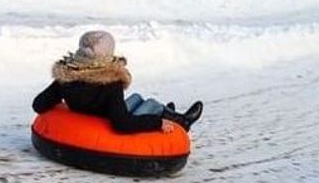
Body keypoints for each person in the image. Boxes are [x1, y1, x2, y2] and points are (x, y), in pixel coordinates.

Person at [31, 30, 202, 133]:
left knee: (136, 97)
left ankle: (165, 111)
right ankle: (179, 120)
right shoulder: (109, 82)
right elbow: (122, 123)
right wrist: (157, 123)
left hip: (93, 111)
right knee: (150, 103)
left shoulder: (67, 76)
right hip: (105, 117)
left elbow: (38, 104)